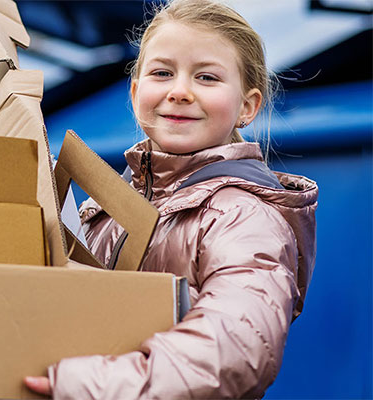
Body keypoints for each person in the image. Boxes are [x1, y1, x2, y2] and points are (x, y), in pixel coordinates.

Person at [25, 0, 318, 398]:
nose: (179, 92)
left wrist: (84, 384)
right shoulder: (107, 204)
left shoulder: (244, 218)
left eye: (207, 78)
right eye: (162, 73)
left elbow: (232, 352)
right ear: (135, 92)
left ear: (247, 107)